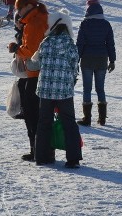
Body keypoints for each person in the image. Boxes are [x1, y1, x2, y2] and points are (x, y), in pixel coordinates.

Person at [32, 12, 82, 168]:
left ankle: (41, 156)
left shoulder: (45, 42)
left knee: (44, 122)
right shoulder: (69, 43)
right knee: (69, 122)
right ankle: (73, 159)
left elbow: (37, 62)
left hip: (45, 89)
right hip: (63, 89)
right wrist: (72, 79)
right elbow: (75, 65)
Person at [9, 0, 48, 162]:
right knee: (38, 113)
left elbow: (32, 51)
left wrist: (17, 50)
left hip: (34, 73)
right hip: (42, 72)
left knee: (32, 114)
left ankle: (37, 149)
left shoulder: (33, 22)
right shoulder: (41, 17)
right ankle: (42, 149)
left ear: (28, 6)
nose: (18, 11)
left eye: (20, 8)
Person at [76, 0, 117, 127]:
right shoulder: (106, 24)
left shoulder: (85, 24)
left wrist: (76, 60)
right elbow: (110, 43)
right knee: (100, 88)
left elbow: (80, 44)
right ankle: (102, 118)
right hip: (102, 59)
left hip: (87, 59)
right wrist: (112, 60)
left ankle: (87, 118)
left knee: (87, 89)